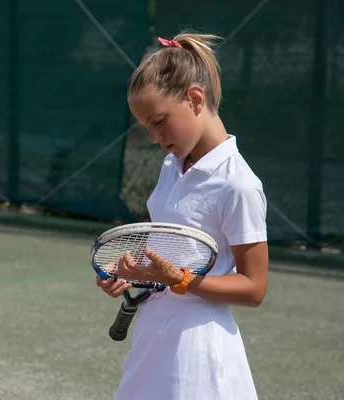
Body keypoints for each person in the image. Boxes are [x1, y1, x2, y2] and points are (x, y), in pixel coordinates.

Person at [96, 32, 268, 400]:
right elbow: (168, 249)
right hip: (152, 338)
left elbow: (254, 288)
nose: (155, 137)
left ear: (194, 99)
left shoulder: (239, 185)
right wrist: (130, 272)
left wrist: (179, 278)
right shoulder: (172, 166)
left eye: (159, 121)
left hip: (197, 352)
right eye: (146, 128)